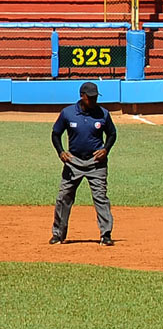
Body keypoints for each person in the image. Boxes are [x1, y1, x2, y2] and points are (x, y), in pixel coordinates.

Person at [49, 82, 117, 246]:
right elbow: (56, 134)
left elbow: (112, 134)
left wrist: (106, 149)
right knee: (63, 197)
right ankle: (58, 234)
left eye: (95, 97)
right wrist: (61, 152)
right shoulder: (68, 113)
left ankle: (106, 234)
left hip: (96, 163)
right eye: (90, 98)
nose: (93, 100)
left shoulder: (103, 114)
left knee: (100, 198)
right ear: (82, 96)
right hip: (73, 162)